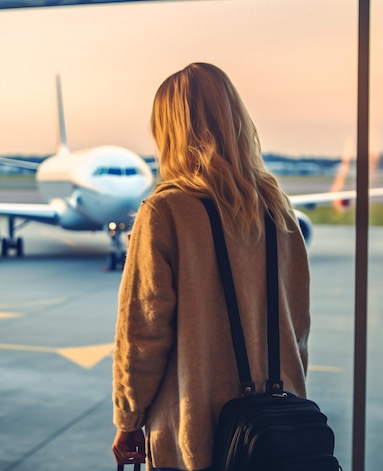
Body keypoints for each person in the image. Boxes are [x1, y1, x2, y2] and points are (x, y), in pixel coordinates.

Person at [111, 63, 310, 471]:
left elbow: (143, 334)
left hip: (195, 439)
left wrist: (128, 419)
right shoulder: (279, 213)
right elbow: (299, 329)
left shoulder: (165, 212)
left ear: (170, 131)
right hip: (279, 435)